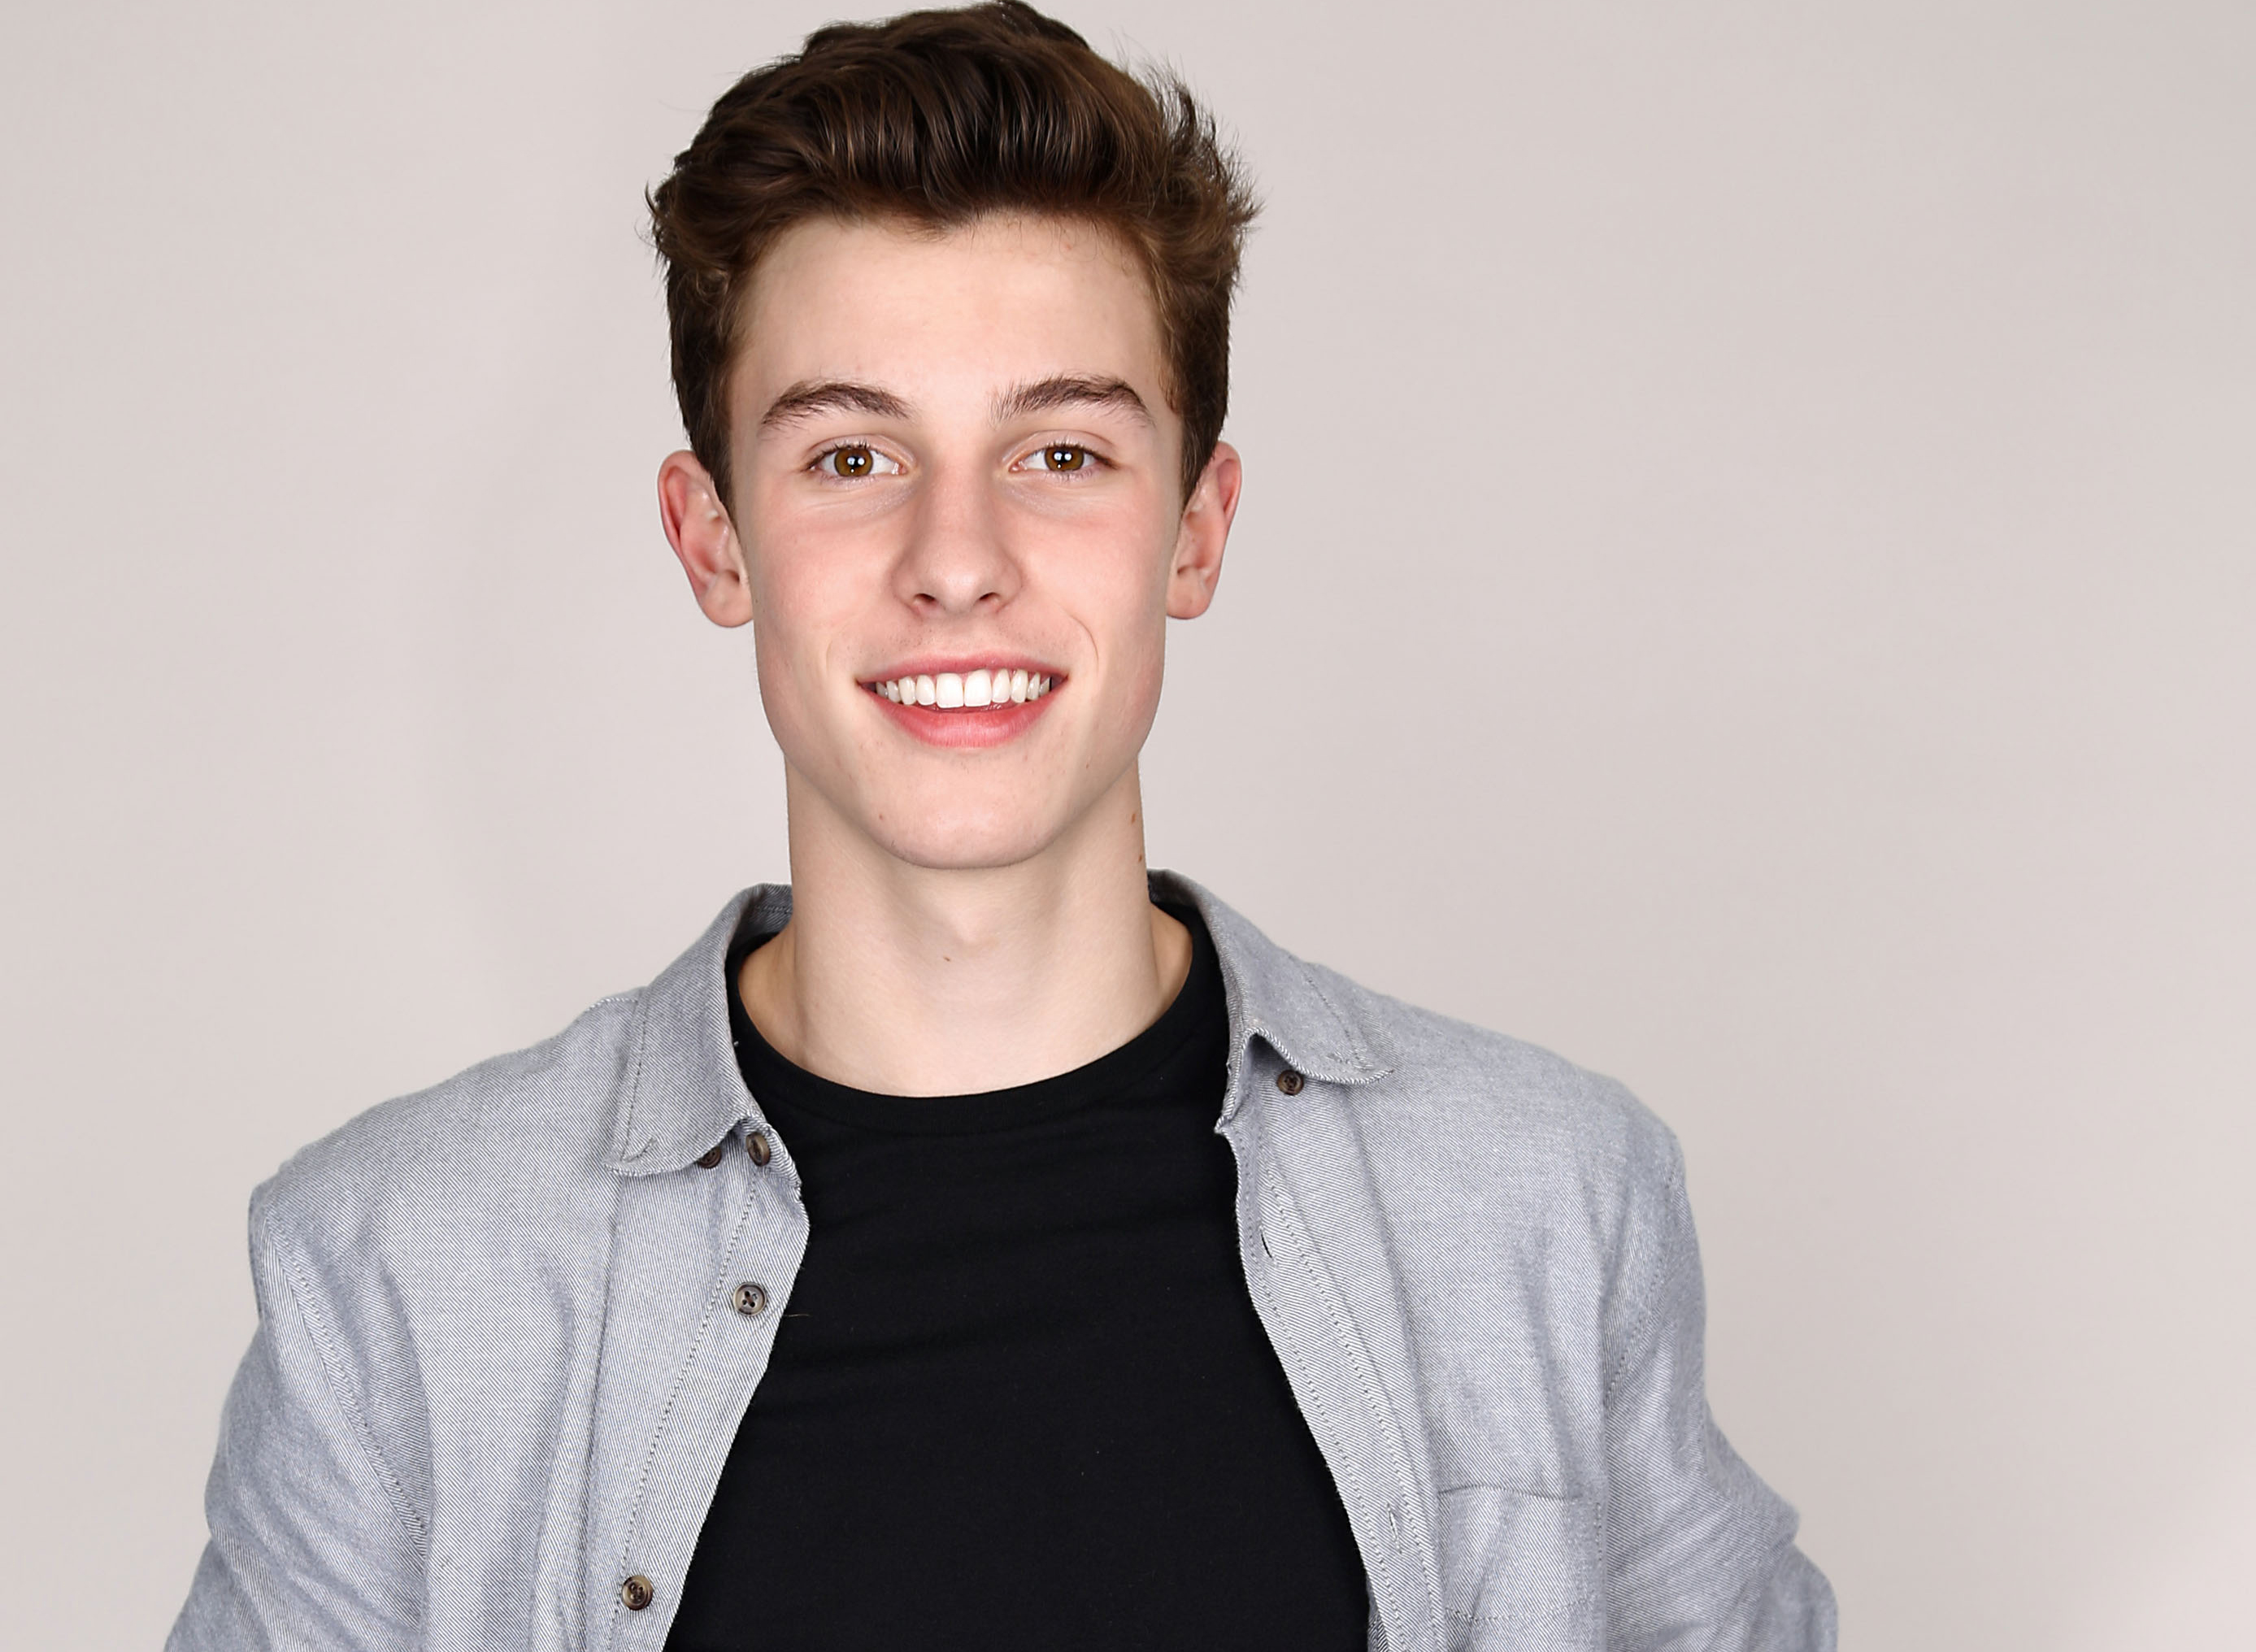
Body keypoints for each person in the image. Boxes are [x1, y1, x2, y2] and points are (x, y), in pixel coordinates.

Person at [169, 4, 1837, 1647]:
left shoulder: (1550, 1199)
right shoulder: (393, 1270)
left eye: (1060, 451)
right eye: (850, 457)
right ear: (713, 539)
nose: (956, 559)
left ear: (1195, 529)